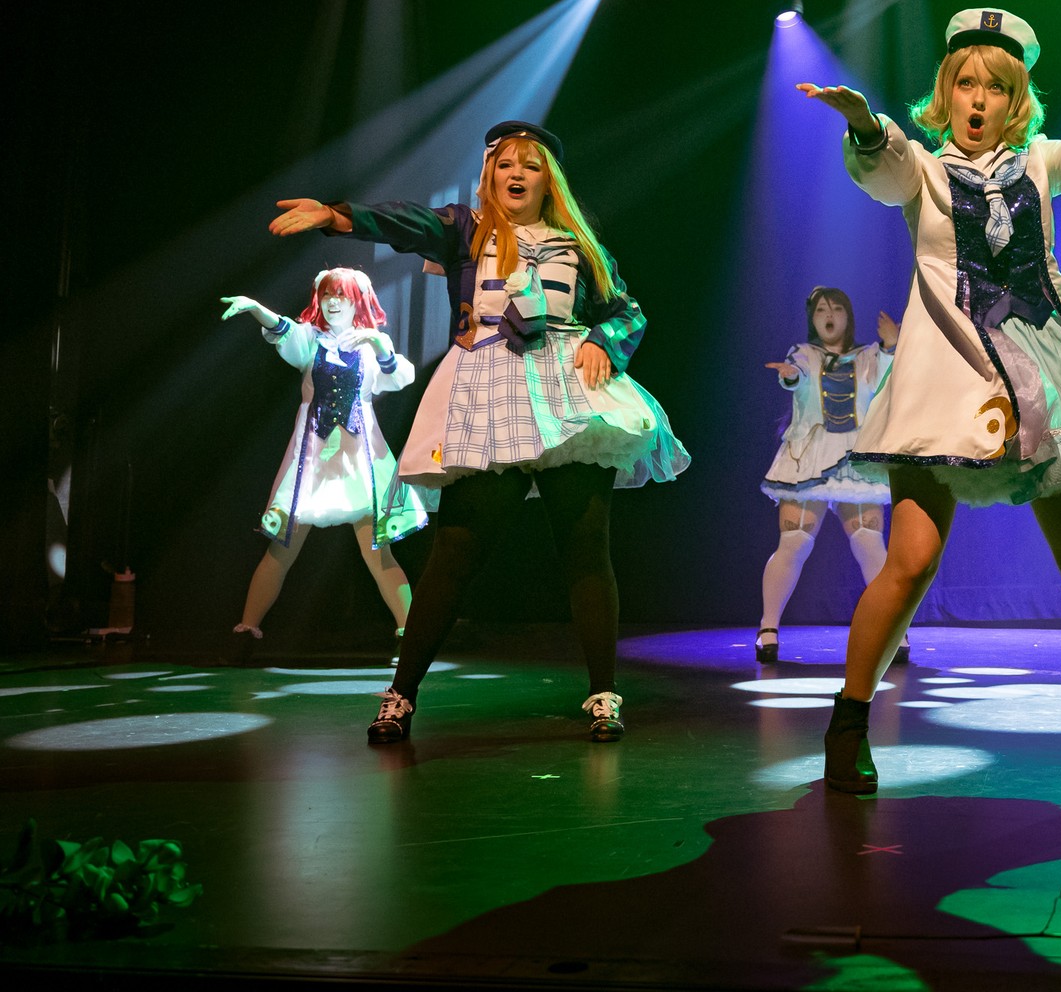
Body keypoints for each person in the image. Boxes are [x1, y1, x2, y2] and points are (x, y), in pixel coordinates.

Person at [797, 0, 1061, 798]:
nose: (979, 100)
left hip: (1038, 384)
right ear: (946, 91)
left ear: (1016, 99)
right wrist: (862, 122)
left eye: (996, 86)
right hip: (941, 387)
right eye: (967, 83)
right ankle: (846, 730)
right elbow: (884, 166)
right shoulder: (924, 171)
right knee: (910, 562)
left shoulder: (1040, 165)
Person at [267, 120, 689, 743]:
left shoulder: (579, 245)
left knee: (585, 549)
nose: (517, 174)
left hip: (569, 397)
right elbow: (407, 223)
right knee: (454, 555)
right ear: (491, 174)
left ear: (549, 180)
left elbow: (627, 309)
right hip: (487, 396)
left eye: (531, 165)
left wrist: (604, 341)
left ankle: (604, 694)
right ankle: (400, 696)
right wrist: (337, 216)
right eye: (505, 164)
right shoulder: (467, 230)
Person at [217, 268, 425, 659]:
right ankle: (246, 632)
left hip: (359, 461)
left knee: (378, 554)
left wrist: (379, 344)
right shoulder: (311, 340)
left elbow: (397, 377)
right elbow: (283, 329)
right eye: (328, 295)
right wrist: (254, 307)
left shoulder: (371, 345)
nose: (333, 302)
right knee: (281, 550)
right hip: (312, 460)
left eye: (341, 296)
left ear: (357, 301)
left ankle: (413, 638)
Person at [755, 287, 898, 664]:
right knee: (794, 542)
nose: (829, 315)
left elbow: (888, 380)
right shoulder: (803, 354)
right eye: (821, 309)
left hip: (856, 457)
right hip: (809, 456)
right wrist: (789, 376)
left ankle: (896, 630)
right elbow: (797, 376)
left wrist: (891, 345)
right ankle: (768, 628)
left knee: (869, 542)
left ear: (848, 316)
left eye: (836, 309)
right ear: (813, 318)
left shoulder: (869, 356)